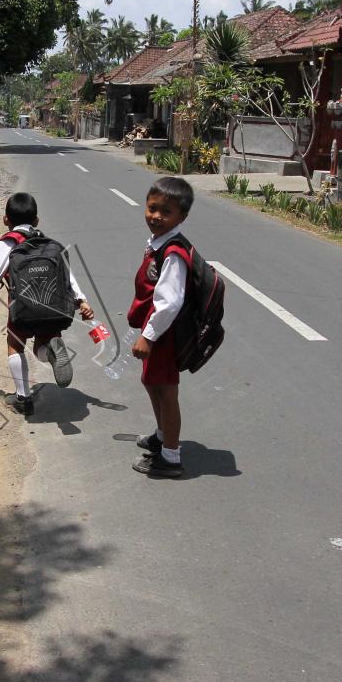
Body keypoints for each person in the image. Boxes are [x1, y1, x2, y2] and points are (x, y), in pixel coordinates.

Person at [0, 192, 94, 416]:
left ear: (6, 220)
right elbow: (67, 275)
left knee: (15, 344)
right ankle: (50, 349)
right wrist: (81, 300)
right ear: (36, 221)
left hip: (22, 307)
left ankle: (23, 397)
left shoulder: (9, 242)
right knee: (43, 342)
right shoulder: (48, 244)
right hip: (51, 307)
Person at [127, 176, 194, 478]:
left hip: (163, 336)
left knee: (166, 391)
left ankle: (171, 457)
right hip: (156, 333)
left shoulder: (173, 254)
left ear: (182, 217)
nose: (156, 216)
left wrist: (148, 337)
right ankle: (161, 434)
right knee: (151, 382)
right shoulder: (160, 243)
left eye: (166, 212)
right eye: (152, 208)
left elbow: (169, 303)